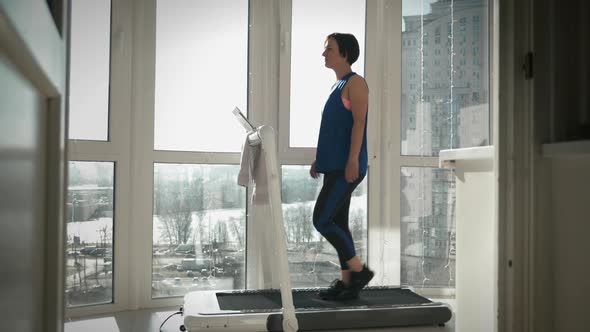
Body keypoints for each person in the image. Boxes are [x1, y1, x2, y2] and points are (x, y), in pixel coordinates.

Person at [310, 32, 374, 301]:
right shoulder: (336, 87)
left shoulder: (355, 83)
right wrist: (319, 159)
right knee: (338, 222)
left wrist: (352, 161)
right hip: (334, 166)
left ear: (345, 53)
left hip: (348, 167)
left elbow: (359, 124)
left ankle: (359, 272)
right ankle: (348, 283)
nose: (324, 54)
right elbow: (335, 129)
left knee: (322, 219)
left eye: (329, 49)